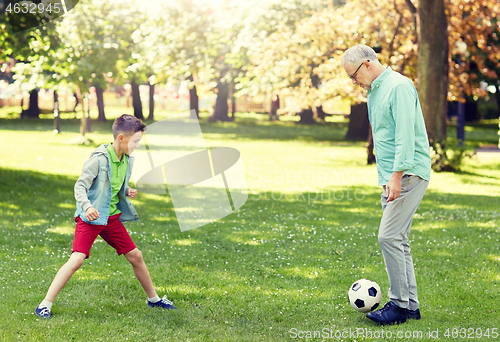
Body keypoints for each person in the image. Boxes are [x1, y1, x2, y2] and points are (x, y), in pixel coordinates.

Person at [35, 114, 177, 319]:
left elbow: (112, 182)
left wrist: (125, 190)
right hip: (91, 218)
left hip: (110, 219)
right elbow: (80, 186)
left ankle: (153, 299)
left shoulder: (127, 159)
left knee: (136, 255)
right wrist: (87, 207)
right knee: (77, 259)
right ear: (121, 138)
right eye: (135, 141)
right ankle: (45, 304)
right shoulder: (98, 159)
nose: (137, 145)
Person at [342, 45, 431, 325]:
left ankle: (398, 305)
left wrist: (395, 176)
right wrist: (387, 178)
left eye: (354, 75)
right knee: (399, 240)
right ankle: (411, 305)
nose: (354, 82)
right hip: (392, 177)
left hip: (407, 173)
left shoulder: (398, 87)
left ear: (367, 64)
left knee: (388, 237)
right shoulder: (375, 91)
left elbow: (405, 135)